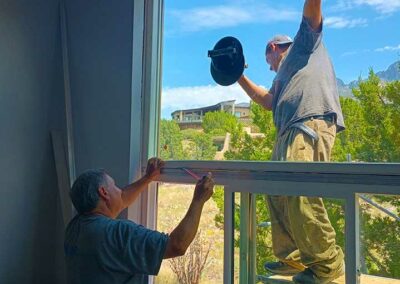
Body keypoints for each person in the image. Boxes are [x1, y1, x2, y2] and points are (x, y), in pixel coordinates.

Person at [237, 1, 345, 283]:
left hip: (308, 123)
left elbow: (311, 14)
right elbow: (267, 100)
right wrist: (237, 76)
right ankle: (295, 259)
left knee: (300, 193)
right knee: (278, 193)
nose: (271, 70)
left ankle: (327, 265)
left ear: (273, 49)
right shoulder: (283, 77)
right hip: (287, 131)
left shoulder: (303, 45)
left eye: (268, 64)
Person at [64, 157, 215, 284]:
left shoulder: (75, 227)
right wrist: (198, 200)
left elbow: (122, 199)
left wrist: (148, 178)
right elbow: (177, 245)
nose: (119, 190)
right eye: (115, 186)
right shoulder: (116, 233)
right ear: (103, 192)